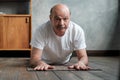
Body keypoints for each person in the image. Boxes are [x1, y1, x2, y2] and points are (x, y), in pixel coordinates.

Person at [30, 3, 90, 71]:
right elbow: (34, 58)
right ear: (50, 18)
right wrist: (39, 63)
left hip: (64, 62)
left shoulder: (77, 31)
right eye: (57, 19)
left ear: (69, 18)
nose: (61, 23)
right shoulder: (41, 31)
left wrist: (81, 63)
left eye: (65, 19)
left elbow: (83, 57)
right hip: (44, 62)